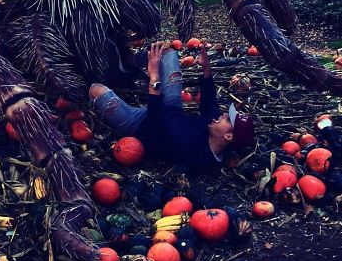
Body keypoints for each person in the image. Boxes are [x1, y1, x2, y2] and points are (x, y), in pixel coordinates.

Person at [90, 42, 255, 170]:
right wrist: (206, 68)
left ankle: (106, 69)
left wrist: (154, 76)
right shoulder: (215, 130)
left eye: (228, 119)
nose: (224, 115)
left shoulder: (193, 152)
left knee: (96, 90)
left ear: (228, 136)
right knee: (168, 52)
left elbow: (156, 120)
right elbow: (209, 103)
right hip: (170, 107)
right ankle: (128, 62)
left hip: (140, 125)